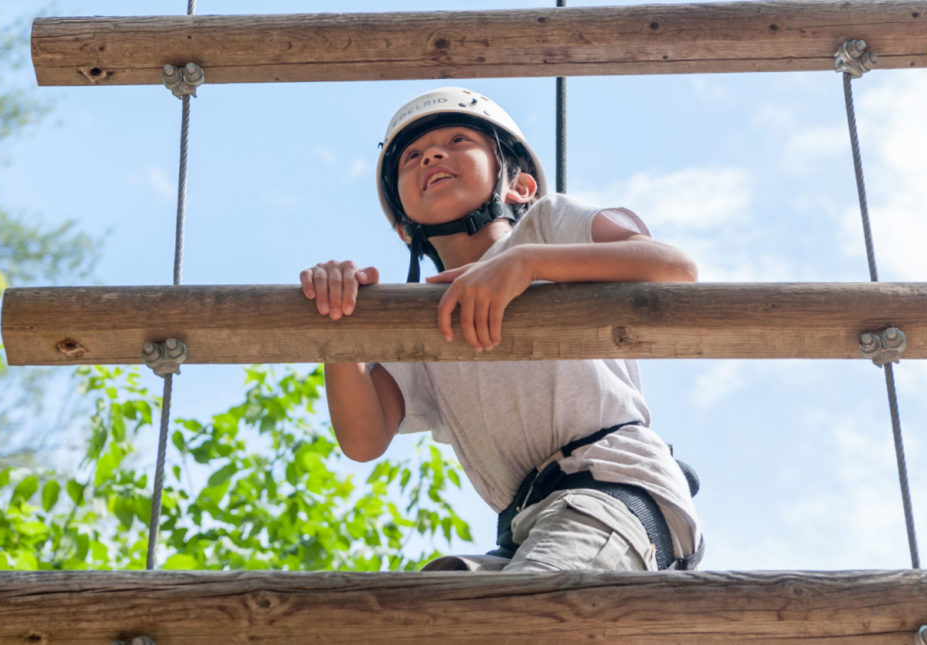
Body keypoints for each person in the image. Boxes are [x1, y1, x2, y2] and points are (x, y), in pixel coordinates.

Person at [299, 87, 703, 571]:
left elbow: (674, 267)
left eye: (458, 140)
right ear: (405, 228)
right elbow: (364, 439)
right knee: (423, 610)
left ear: (520, 188)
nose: (431, 154)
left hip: (615, 488)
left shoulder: (547, 229)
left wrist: (526, 264)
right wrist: (339, 327)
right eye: (411, 157)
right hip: (527, 524)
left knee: (519, 615)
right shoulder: (419, 317)